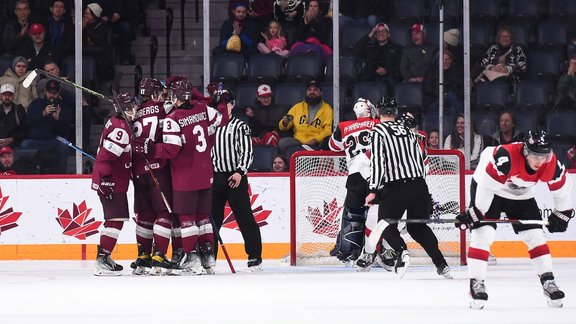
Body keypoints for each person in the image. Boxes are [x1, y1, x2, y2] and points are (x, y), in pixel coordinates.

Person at [456, 129, 573, 309]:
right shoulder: (504, 158)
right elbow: (486, 187)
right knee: (483, 233)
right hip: (490, 189)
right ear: (525, 151)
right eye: (535, 156)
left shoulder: (551, 163)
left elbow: (562, 189)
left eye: (543, 156)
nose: (539, 161)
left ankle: (548, 281)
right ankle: (476, 283)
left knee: (536, 235)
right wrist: (476, 212)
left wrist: (562, 213)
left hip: (522, 194)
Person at [135, 80, 228, 275]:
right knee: (203, 218)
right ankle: (208, 258)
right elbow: (222, 119)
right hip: (206, 173)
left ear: (176, 97)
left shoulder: (173, 117)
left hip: (185, 175)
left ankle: (191, 257)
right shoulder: (203, 108)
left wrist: (151, 147)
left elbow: (171, 149)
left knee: (186, 219)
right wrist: (220, 101)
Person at [357, 96, 452, 279]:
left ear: (378, 111)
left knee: (385, 225)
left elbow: (378, 162)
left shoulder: (378, 131)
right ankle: (442, 265)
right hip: (419, 185)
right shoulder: (408, 130)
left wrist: (373, 190)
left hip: (395, 187)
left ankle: (402, 252)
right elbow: (420, 158)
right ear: (395, 112)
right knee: (419, 228)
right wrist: (421, 187)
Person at [128, 78, 175, 275]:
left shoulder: (134, 112)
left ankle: (143, 257)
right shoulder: (164, 108)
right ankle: (159, 255)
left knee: (145, 216)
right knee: (164, 214)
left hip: (138, 170)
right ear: (156, 93)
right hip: (158, 168)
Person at [211, 95, 263, 272]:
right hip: (215, 178)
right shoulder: (209, 126)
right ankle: (210, 257)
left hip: (235, 177)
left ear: (232, 105)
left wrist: (240, 172)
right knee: (212, 221)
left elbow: (247, 152)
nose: (221, 107)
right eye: (218, 104)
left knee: (244, 217)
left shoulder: (240, 126)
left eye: (225, 104)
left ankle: (255, 256)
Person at [328, 98, 379, 263]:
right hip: (376, 173)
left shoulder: (343, 126)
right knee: (378, 213)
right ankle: (378, 251)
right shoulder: (378, 123)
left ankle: (349, 250)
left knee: (353, 214)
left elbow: (333, 146)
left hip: (355, 174)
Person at [91, 91, 134, 276]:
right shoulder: (120, 129)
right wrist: (106, 180)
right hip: (112, 181)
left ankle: (104, 257)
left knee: (114, 221)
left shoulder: (118, 123)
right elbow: (104, 158)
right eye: (131, 106)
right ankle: (103, 259)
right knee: (115, 222)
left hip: (113, 180)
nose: (135, 109)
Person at [20, 79, 70, 174]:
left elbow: (64, 131)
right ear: (44, 91)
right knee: (24, 144)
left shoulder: (63, 106)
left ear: (59, 92)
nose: (51, 95)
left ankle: (60, 175)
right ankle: (27, 174)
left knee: (64, 144)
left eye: (54, 93)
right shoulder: (35, 103)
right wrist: (43, 114)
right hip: (35, 139)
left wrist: (57, 120)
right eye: (49, 92)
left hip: (53, 139)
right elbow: (28, 124)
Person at [277, 80, 333, 155]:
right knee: (282, 143)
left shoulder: (327, 109)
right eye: (309, 90)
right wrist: (284, 123)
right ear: (306, 92)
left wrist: (315, 140)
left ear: (321, 93)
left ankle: (302, 152)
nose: (312, 92)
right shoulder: (297, 107)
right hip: (298, 141)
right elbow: (283, 127)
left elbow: (328, 131)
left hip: (316, 143)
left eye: (315, 90)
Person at [353, 22, 403, 91]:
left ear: (388, 34)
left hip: (388, 78)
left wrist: (386, 71)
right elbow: (356, 51)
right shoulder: (370, 47)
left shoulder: (397, 49)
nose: (381, 33)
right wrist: (369, 35)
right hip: (370, 77)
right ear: (375, 35)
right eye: (378, 31)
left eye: (383, 31)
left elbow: (399, 67)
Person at [0, 83, 28, 149]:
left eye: (9, 95)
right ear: (0, 96)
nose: (7, 97)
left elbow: (25, 130)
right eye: (4, 95)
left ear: (13, 96)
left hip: (14, 143)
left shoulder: (19, 110)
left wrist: (12, 139)